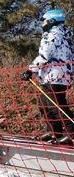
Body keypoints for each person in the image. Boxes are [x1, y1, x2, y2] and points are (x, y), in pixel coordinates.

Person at [22, 9, 73, 145]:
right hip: (60, 75)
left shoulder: (52, 34)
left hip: (53, 76)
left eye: (44, 20)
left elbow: (45, 56)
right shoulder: (65, 35)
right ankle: (55, 133)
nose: (42, 24)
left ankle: (71, 133)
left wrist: (30, 70)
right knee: (45, 105)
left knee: (56, 105)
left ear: (51, 21)